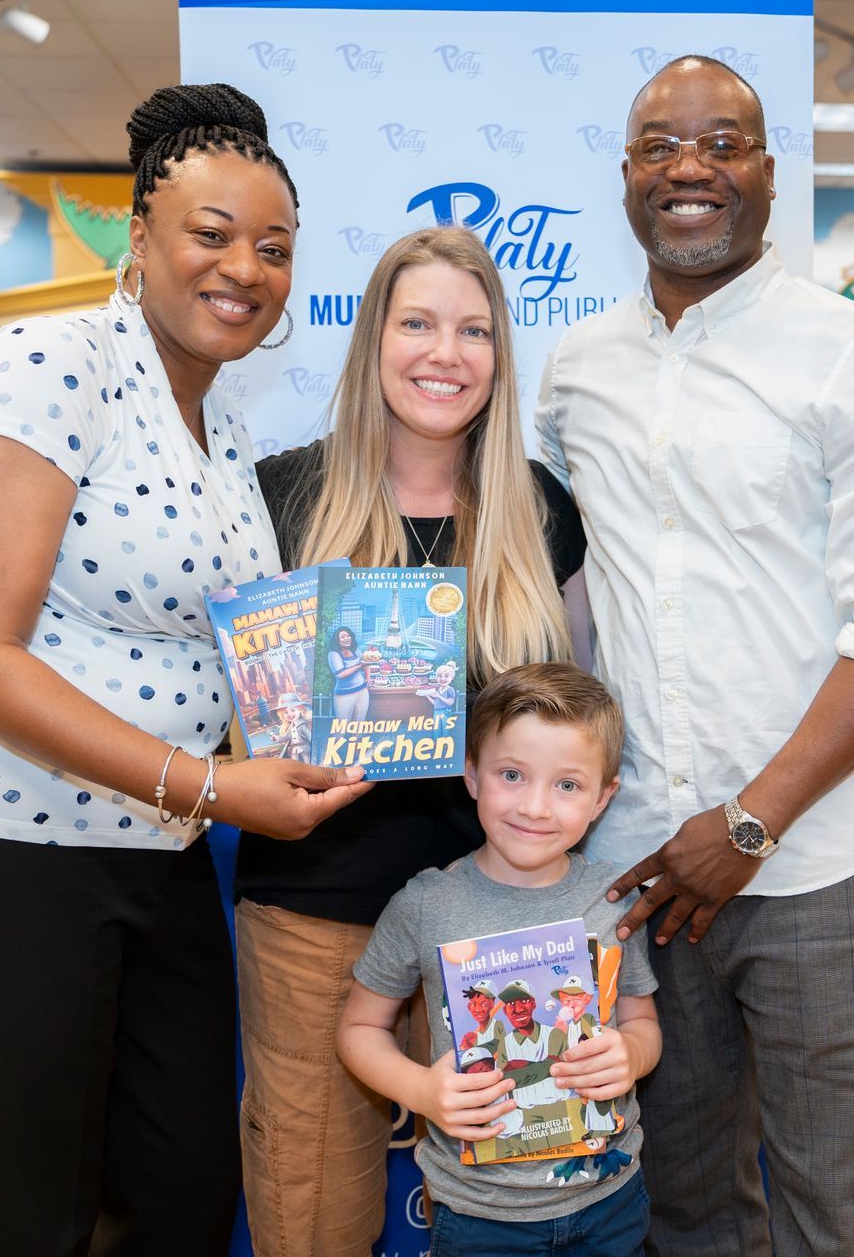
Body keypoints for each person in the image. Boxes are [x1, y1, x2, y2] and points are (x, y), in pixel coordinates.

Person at [0, 84, 372, 1256]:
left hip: (157, 849)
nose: (244, 266)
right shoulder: (49, 362)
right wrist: (205, 785)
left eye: (274, 246)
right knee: (29, 1207)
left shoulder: (223, 422)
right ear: (139, 237)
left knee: (182, 1180)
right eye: (211, 233)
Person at [537, 56, 854, 1256]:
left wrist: (751, 824)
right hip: (638, 870)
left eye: (723, 143)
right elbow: (565, 593)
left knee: (850, 1215)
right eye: (662, 145)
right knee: (685, 1209)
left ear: (769, 172)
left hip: (818, 862)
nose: (691, 168)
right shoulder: (577, 369)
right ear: (627, 178)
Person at [236, 226, 586, 1256]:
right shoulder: (282, 495)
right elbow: (226, 704)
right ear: (373, 339)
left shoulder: (541, 509)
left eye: (474, 329)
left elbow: (578, 713)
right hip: (318, 903)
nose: (447, 351)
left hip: (502, 912)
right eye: (419, 322)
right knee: (312, 1194)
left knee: (512, 1189)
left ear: (500, 354)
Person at [336, 662, 661, 1257]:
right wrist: (421, 1090)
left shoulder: (615, 897)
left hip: (611, 1200)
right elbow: (358, 1030)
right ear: (472, 775)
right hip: (480, 1215)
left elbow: (642, 1024)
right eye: (512, 774)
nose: (536, 807)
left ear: (603, 797)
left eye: (567, 785)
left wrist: (631, 1056)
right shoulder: (425, 905)